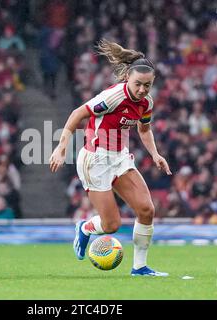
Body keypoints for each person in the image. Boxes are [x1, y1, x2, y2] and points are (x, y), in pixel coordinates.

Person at [49, 39, 172, 277]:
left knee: (146, 210)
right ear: (128, 78)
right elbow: (78, 114)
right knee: (111, 225)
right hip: (95, 161)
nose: (142, 90)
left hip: (120, 159)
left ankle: (140, 268)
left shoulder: (146, 103)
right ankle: (85, 228)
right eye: (138, 84)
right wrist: (61, 148)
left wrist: (155, 155)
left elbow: (144, 130)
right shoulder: (115, 95)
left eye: (147, 85)